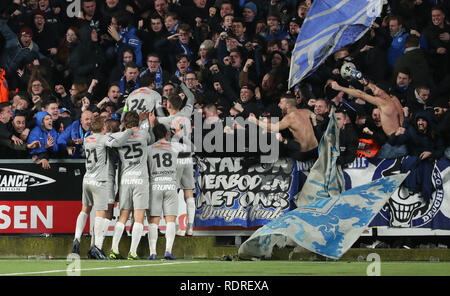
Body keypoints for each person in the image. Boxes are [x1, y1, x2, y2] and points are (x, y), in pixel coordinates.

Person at [72, 115, 129, 259]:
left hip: (87, 179)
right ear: (104, 128)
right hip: (100, 181)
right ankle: (97, 247)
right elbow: (117, 142)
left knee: (85, 210)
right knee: (101, 213)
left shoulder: (87, 139)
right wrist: (129, 131)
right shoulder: (104, 139)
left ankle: (77, 239)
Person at [109, 111, 152, 260]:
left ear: (124, 123)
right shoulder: (144, 134)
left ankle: (113, 249)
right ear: (138, 123)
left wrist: (124, 131)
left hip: (126, 179)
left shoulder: (119, 137)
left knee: (123, 216)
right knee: (139, 217)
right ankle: (132, 252)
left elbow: (111, 140)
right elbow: (148, 134)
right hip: (140, 179)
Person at [330, 78, 406, 159]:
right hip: (402, 140)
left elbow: (360, 94)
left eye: (376, 90)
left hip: (393, 146)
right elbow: (376, 89)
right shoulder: (394, 99)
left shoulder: (383, 103)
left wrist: (339, 88)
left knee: (373, 162)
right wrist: (366, 82)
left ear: (383, 92)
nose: (373, 91)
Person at [156, 83, 196, 236]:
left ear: (169, 105)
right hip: (188, 158)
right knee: (189, 193)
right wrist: (182, 84)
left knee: (174, 193)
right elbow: (191, 97)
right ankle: (190, 227)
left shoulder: (167, 120)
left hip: (175, 159)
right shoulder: (186, 113)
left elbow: (157, 118)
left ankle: (178, 228)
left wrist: (156, 102)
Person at [146, 123, 186, 260]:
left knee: (153, 220)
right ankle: (168, 251)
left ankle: (153, 253)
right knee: (170, 220)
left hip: (155, 184)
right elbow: (184, 158)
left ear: (154, 135)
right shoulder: (175, 147)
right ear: (167, 134)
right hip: (170, 184)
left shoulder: (149, 149)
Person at [249, 94, 319, 162]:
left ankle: (254, 160)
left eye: (281, 103)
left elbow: (273, 128)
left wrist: (255, 120)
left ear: (288, 105)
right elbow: (320, 119)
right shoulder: (307, 111)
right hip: (316, 150)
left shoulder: (289, 118)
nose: (279, 105)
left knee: (277, 139)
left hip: (303, 154)